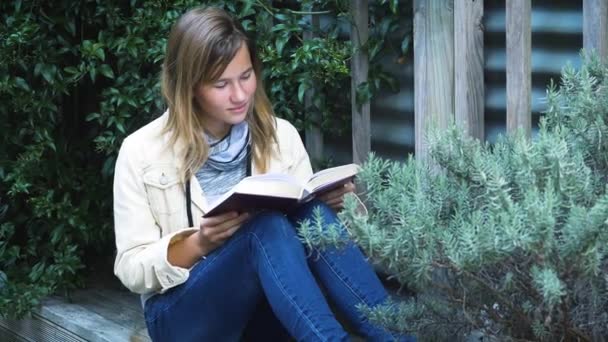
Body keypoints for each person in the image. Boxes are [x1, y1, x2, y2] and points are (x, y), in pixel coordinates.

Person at [113, 6, 415, 342]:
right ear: (190, 86)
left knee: (310, 212)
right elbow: (131, 268)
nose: (240, 95)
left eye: (245, 76)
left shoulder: (279, 135)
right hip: (184, 318)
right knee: (265, 228)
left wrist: (335, 209)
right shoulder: (141, 151)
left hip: (269, 311)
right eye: (221, 84)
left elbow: (319, 256)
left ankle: (398, 336)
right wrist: (200, 243)